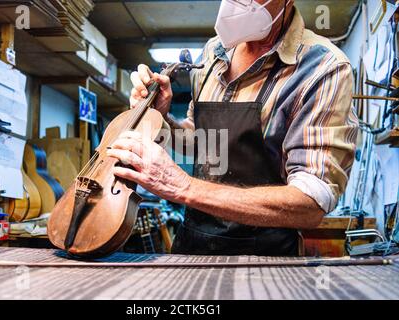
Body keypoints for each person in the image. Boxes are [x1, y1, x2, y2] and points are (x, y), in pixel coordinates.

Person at [106, 0, 359, 256]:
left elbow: (311, 203)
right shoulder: (213, 52)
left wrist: (182, 186)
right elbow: (199, 140)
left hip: (266, 259)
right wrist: (161, 118)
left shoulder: (322, 68)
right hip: (192, 246)